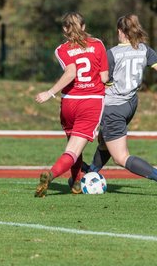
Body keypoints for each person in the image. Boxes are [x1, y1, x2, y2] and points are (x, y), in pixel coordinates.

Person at [82, 14, 157, 196]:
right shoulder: (144, 50)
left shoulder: (112, 53)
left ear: (120, 32)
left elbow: (104, 79)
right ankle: (91, 173)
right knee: (105, 142)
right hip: (130, 104)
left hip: (114, 106)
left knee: (120, 157)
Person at [34, 12, 109, 197]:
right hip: (91, 103)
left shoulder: (61, 49)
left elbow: (71, 71)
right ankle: (50, 175)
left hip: (69, 104)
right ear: (83, 27)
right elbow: (94, 75)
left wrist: (50, 93)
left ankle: (75, 184)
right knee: (74, 150)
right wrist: (50, 92)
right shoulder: (98, 44)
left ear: (65, 29)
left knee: (73, 146)